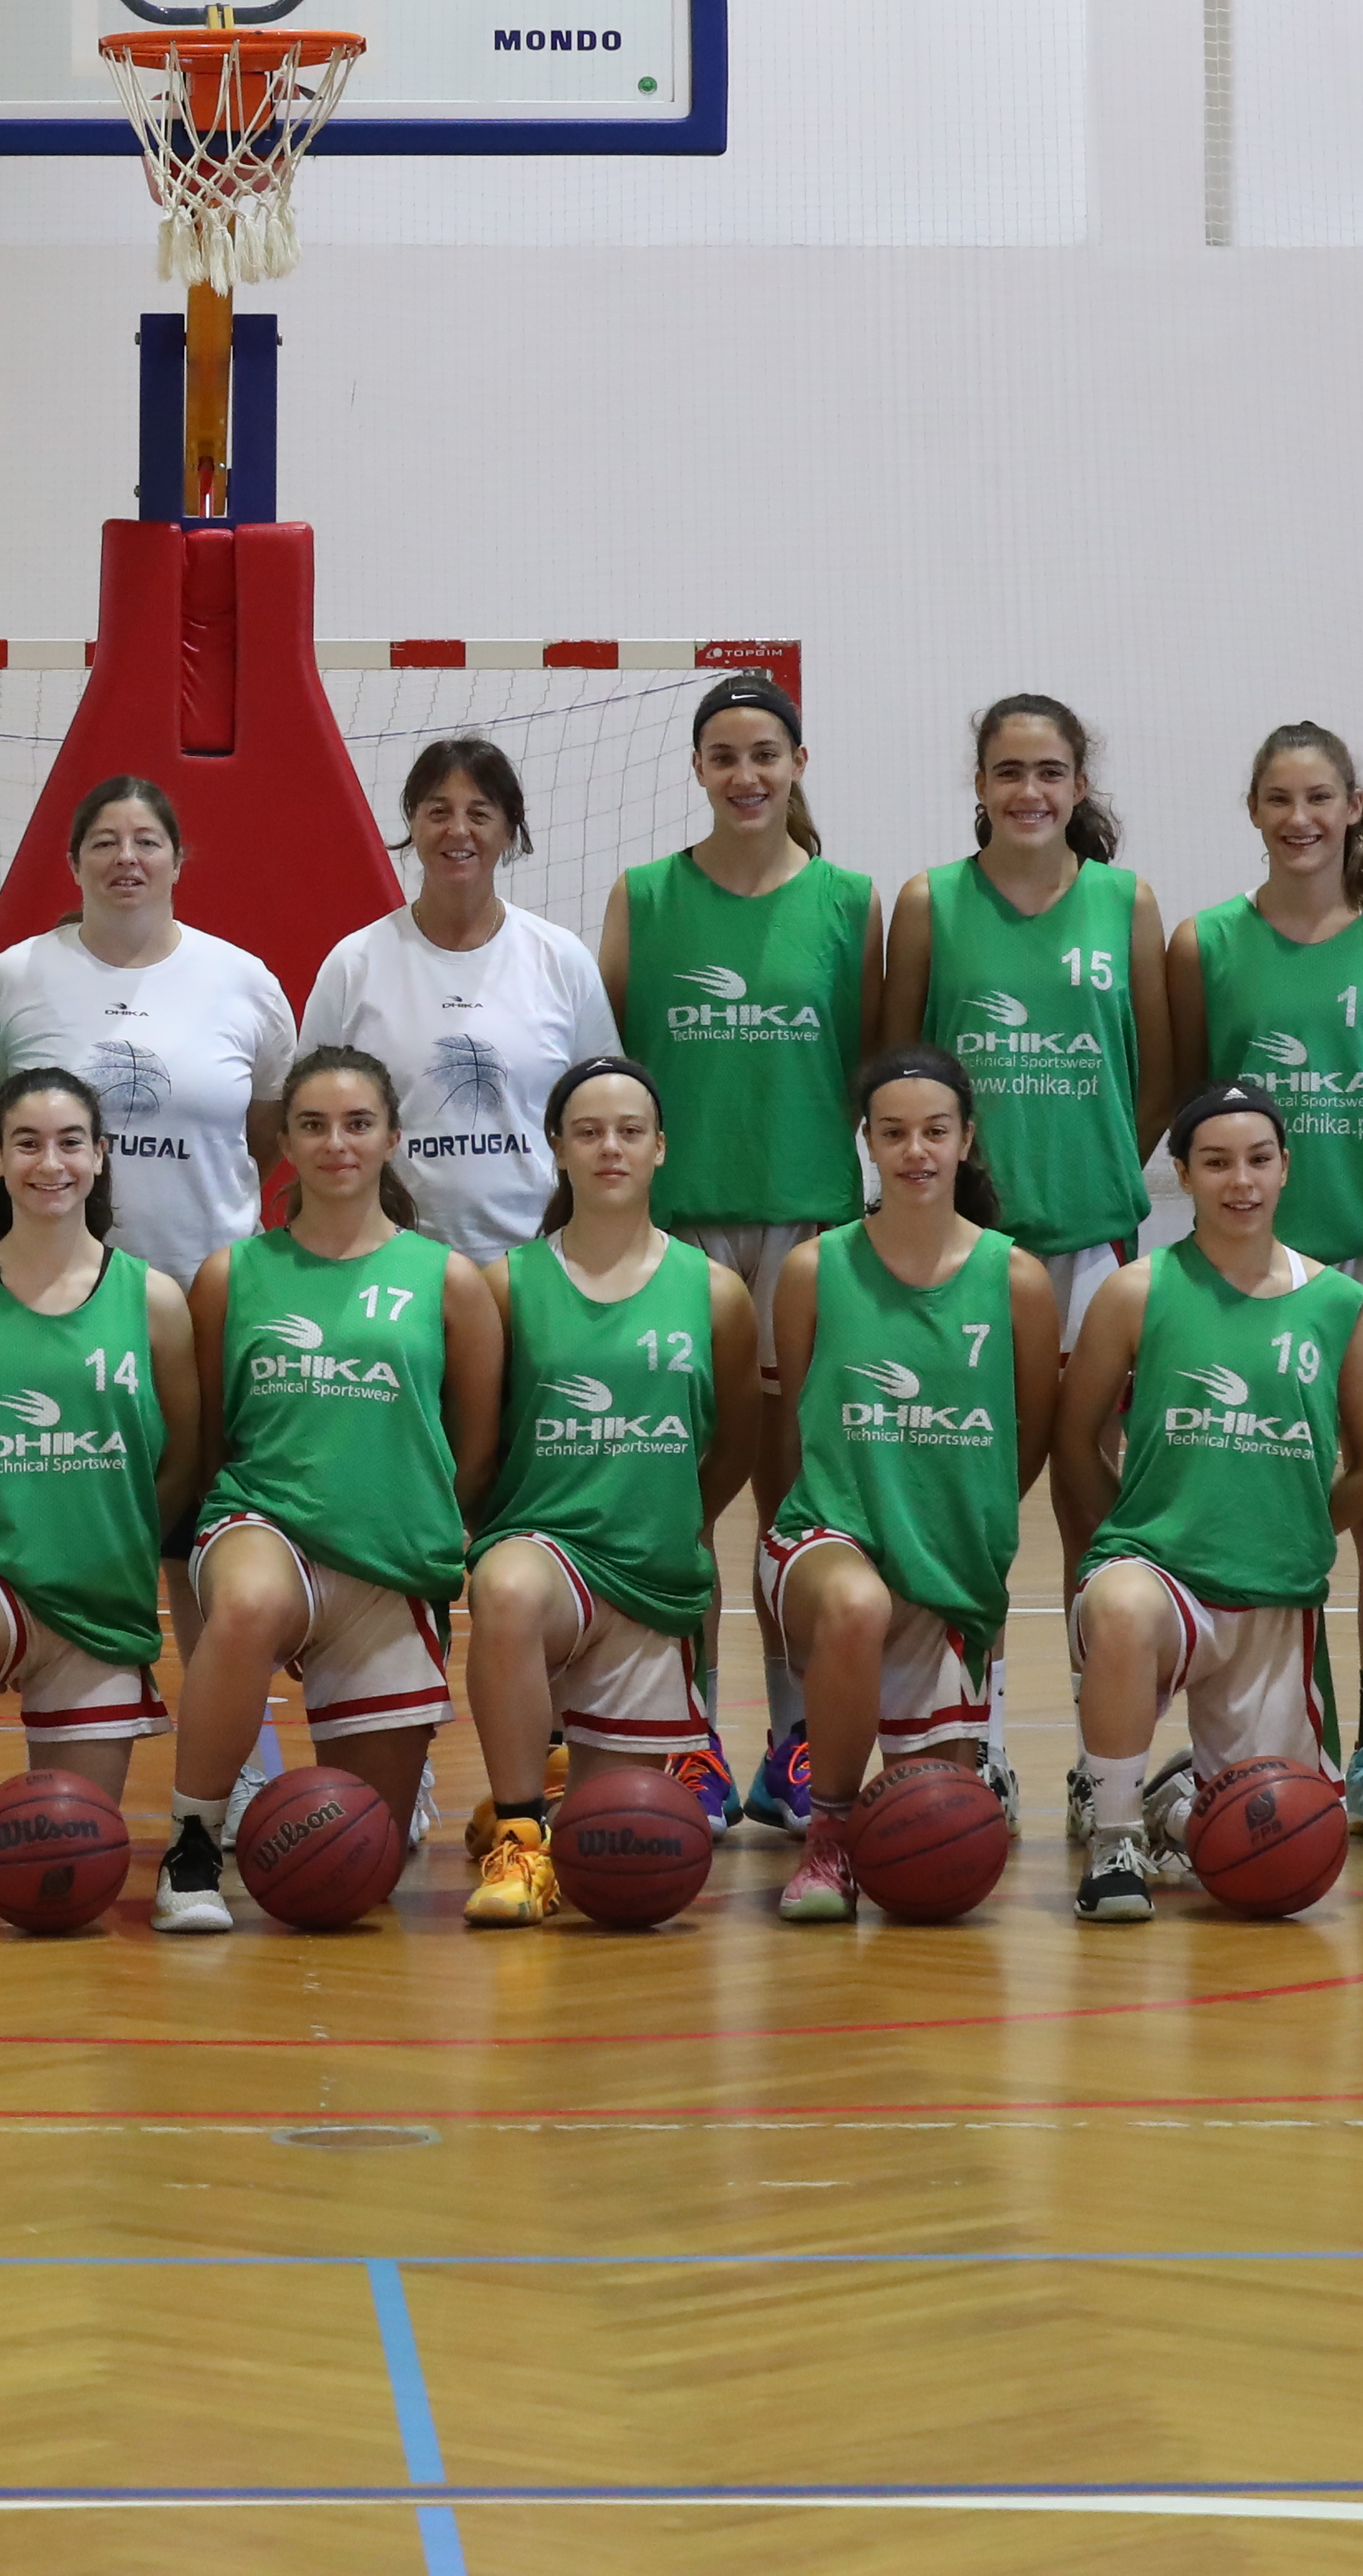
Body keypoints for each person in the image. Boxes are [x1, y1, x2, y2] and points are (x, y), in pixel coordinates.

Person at [1164, 722, 1363, 1841]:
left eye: (1320, 797)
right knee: (1249, 1501)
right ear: (1253, 810)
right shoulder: (1206, 944)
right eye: (1279, 798)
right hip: (1252, 1274)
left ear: (1353, 806)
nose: (1300, 817)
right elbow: (1192, 1099)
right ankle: (1242, 1749)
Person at [880, 692, 1169, 1846]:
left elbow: (1160, 1067)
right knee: (971, 1502)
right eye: (1008, 772)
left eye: (1050, 772)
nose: (1030, 792)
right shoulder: (930, 904)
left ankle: (1110, 1778)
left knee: (1105, 1517)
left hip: (1095, 1243)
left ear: (1081, 783)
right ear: (980, 784)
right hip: (970, 1255)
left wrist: (1098, 1170)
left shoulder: (1127, 904)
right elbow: (899, 1063)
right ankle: (974, 1749)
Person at [599, 679, 877, 1833]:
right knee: (675, 1494)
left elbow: (873, 1064)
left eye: (766, 754)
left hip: (809, 1233)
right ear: (699, 770)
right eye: (725, 756)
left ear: (799, 762)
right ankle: (686, 1742)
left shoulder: (851, 904)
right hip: (679, 1237)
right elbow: (608, 1065)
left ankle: (799, 1743)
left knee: (795, 1504)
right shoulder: (646, 898)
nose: (747, 774)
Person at [158, 1047, 507, 1932]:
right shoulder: (230, 1276)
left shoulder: (450, 1281)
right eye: (312, 1125)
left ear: (392, 1137)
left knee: (357, 1867)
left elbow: (474, 1449)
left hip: (388, 1560)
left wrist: (418, 1521)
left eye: (358, 1124)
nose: (335, 1143)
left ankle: (400, 1767)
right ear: (283, 1139)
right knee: (245, 1606)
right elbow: (205, 1440)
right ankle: (192, 1843)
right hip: (263, 1523)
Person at [1049, 1083, 1363, 1926]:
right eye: (1215, 1163)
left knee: (1278, 1859)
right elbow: (1076, 1439)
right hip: (1163, 1579)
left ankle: (1174, 1801)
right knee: (1124, 1602)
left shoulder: (1339, 1305)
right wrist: (1130, 1535)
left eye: (1257, 1160)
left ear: (1285, 1168)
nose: (1239, 1180)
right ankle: (1118, 1838)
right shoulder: (1137, 1291)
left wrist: (1296, 1530)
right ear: (1182, 1174)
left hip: (1275, 1594)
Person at [0, 1068, 201, 1934]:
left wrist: (108, 1532)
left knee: (70, 1861)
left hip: (101, 1601)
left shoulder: (156, 1300)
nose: (49, 1162)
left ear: (99, 1158)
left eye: (68, 1142)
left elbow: (180, 1463)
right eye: (27, 1143)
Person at [755, 1048, 1062, 1917]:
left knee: (938, 1834)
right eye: (893, 1133)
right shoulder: (817, 1270)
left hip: (951, 1563)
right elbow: (793, 1430)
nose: (915, 1151)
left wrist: (957, 1514)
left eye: (935, 1131)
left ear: (967, 1140)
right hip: (827, 1537)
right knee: (856, 1604)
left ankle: (883, 1828)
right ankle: (827, 1838)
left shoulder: (1017, 1279)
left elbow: (1026, 1438)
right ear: (868, 1143)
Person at [456, 1057, 759, 1929]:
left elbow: (734, 1443)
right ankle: (517, 1826)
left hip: (653, 1576)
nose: (610, 1148)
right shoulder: (506, 1286)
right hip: (546, 1556)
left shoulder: (715, 1293)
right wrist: (484, 1539)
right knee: (506, 1585)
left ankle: (535, 1815)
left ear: (661, 1148)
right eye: (587, 1132)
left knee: (608, 1849)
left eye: (630, 1131)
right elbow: (477, 1450)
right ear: (557, 1151)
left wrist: (679, 1523)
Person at [0, 775, 297, 1300]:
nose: (126, 857)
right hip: (56, 1288)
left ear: (178, 860)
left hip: (211, 1286)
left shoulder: (247, 983)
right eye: (104, 842)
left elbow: (264, 1133)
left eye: (146, 841)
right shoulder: (8, 981)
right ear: (73, 864)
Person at [306, 738, 618, 1264]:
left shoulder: (560, 959)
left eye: (479, 813)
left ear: (508, 830)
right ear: (414, 822)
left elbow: (604, 1107)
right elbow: (308, 1113)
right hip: (394, 1260)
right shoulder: (354, 963)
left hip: (539, 1260)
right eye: (438, 812)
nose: (458, 831)